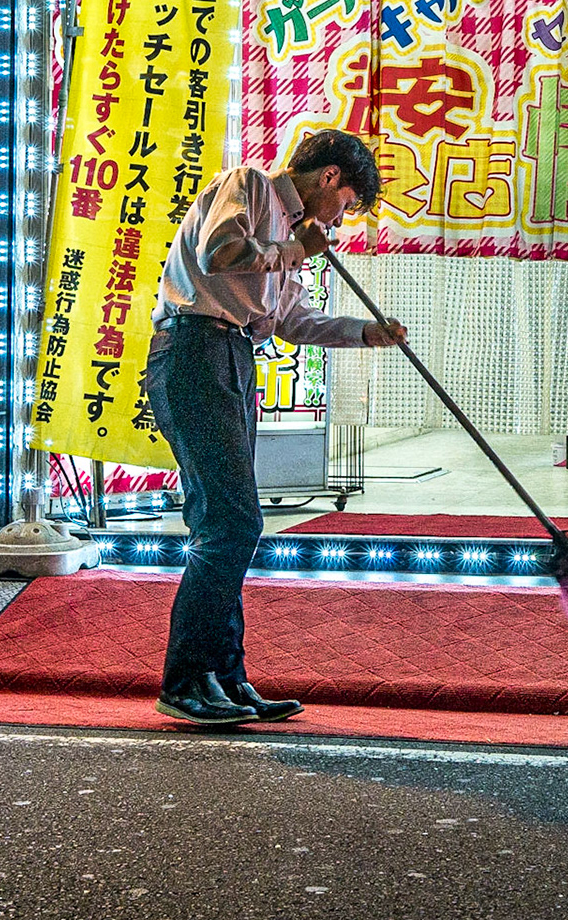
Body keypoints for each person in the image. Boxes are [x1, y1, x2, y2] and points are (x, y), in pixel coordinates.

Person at [144, 128, 406, 726]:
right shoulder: (252, 187)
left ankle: (226, 678)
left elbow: (289, 320)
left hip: (232, 356)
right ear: (330, 178)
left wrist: (366, 333)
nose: (340, 220)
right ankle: (185, 680)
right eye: (346, 205)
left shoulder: (289, 236)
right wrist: (295, 252)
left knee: (232, 522)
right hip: (193, 351)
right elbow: (220, 253)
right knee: (230, 519)